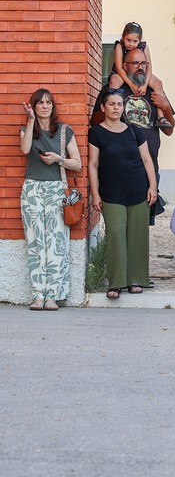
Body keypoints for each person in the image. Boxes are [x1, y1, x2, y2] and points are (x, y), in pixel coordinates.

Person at [88, 90, 157, 299]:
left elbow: (147, 160)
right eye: (112, 104)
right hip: (111, 193)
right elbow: (92, 164)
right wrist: (95, 194)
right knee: (116, 233)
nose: (116, 108)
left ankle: (136, 279)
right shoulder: (96, 133)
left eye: (119, 104)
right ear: (103, 107)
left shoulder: (135, 131)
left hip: (138, 190)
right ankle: (116, 282)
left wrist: (153, 187)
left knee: (137, 236)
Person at [19, 89, 83, 311]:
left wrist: (58, 159)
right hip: (32, 189)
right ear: (34, 106)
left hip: (57, 189)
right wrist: (30, 121)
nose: (45, 106)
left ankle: (53, 296)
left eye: (48, 102)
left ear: (53, 106)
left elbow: (78, 163)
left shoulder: (64, 131)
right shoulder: (28, 129)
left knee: (56, 242)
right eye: (40, 103)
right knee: (35, 241)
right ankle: (38, 295)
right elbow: (25, 148)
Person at [108, 22, 160, 102]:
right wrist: (131, 85)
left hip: (140, 72)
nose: (131, 44)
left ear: (139, 40)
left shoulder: (144, 47)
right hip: (122, 72)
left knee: (158, 83)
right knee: (114, 81)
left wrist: (145, 85)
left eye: (135, 41)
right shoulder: (120, 46)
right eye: (128, 40)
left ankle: (161, 113)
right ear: (123, 37)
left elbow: (149, 67)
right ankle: (112, 106)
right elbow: (119, 68)